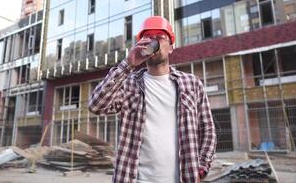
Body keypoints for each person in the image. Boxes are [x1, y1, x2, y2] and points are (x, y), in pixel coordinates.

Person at [89, 16, 216, 183]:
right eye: (148, 37)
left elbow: (207, 128)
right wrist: (128, 63)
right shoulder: (129, 84)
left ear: (171, 46)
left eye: (160, 36)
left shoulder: (191, 84)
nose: (153, 41)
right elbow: (96, 105)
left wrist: (201, 168)